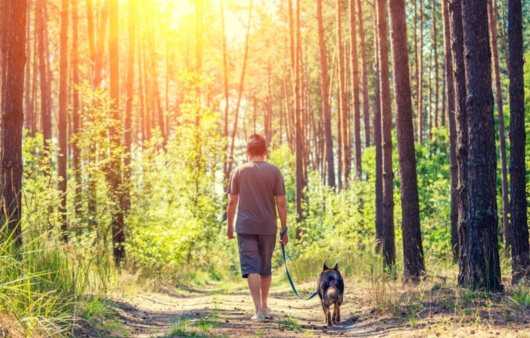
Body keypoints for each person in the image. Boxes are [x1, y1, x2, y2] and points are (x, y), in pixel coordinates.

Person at [226, 134, 288, 321]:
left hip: (245, 227)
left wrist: (230, 226)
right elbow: (282, 202)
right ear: (265, 151)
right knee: (265, 267)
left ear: (247, 152)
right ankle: (264, 304)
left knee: (251, 267)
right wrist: (284, 229)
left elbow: (232, 201)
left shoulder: (238, 171)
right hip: (268, 227)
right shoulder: (274, 171)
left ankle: (258, 311)